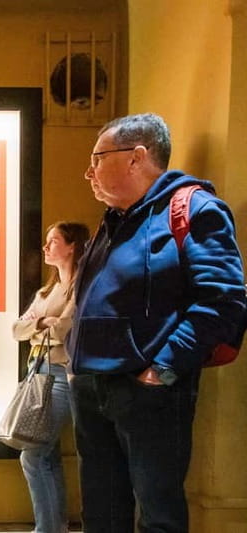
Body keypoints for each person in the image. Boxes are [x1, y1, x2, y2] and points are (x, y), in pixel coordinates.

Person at [67, 113, 246, 532]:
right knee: (101, 514)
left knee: (158, 516)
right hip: (93, 387)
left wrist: (161, 370)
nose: (88, 171)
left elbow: (223, 300)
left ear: (137, 157)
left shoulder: (194, 209)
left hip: (148, 391)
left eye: (97, 157)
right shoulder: (114, 220)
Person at [12, 221, 90, 533]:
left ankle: (48, 528)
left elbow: (68, 328)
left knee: (34, 453)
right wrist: (46, 321)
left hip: (63, 374)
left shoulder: (81, 287)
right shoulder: (48, 290)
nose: (45, 247)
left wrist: (41, 326)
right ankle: (52, 526)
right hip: (38, 373)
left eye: (53, 241)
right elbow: (18, 329)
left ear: (72, 246)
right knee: (45, 453)